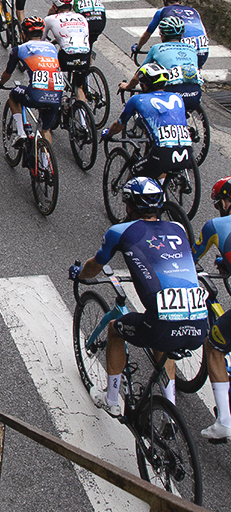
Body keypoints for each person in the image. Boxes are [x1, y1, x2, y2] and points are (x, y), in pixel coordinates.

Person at [70, 177, 208, 418]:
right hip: (198, 323)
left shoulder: (120, 231)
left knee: (115, 328)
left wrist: (79, 275)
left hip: (162, 322)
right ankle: (170, 409)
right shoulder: (179, 229)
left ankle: (111, 399)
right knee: (164, 340)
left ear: (128, 205)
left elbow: (95, 266)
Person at [102, 63, 193, 181]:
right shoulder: (177, 97)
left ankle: (155, 198)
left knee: (135, 173)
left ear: (144, 84)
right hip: (187, 152)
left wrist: (108, 134)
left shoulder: (137, 99)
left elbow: (119, 126)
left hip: (163, 153)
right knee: (161, 172)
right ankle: (163, 195)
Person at [191, 178, 231, 439]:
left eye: (219, 204)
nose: (218, 208)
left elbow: (191, 257)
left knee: (213, 346)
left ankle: (225, 422)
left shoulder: (215, 226)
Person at [0, 15, 63, 145]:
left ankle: (21, 133)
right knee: (46, 130)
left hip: (36, 95)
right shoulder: (52, 48)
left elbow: (7, 74)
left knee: (14, 94)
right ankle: (46, 162)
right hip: (57, 95)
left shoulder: (20, 49)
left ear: (24, 33)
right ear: (42, 32)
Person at [119, 15, 202, 112]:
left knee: (149, 77)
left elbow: (140, 74)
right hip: (195, 96)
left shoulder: (157, 48)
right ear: (182, 35)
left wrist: (128, 86)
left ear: (162, 34)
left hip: (170, 98)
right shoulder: (191, 48)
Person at [132, 0, 209, 69]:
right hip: (203, 49)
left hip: (184, 50)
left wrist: (138, 48)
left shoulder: (163, 11)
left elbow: (147, 34)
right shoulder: (194, 11)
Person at [43, 0, 91, 99]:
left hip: (67, 56)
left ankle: (58, 101)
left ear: (54, 6)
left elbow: (40, 42)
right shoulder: (81, 17)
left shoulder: (50, 19)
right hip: (85, 55)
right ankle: (83, 112)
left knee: (53, 74)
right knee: (79, 88)